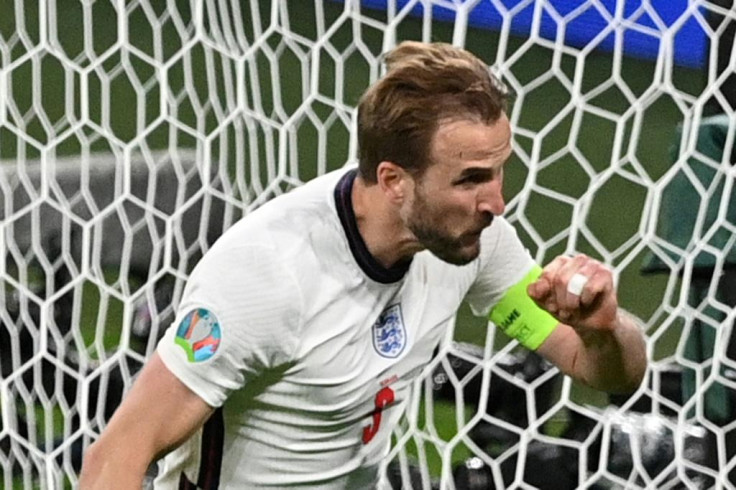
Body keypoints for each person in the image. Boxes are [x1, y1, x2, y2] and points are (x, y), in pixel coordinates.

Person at [79, 41, 647, 489]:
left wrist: (604, 331)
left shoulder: (472, 240)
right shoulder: (269, 276)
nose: (496, 202)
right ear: (394, 181)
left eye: (499, 171)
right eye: (471, 178)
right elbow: (115, 459)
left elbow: (603, 371)